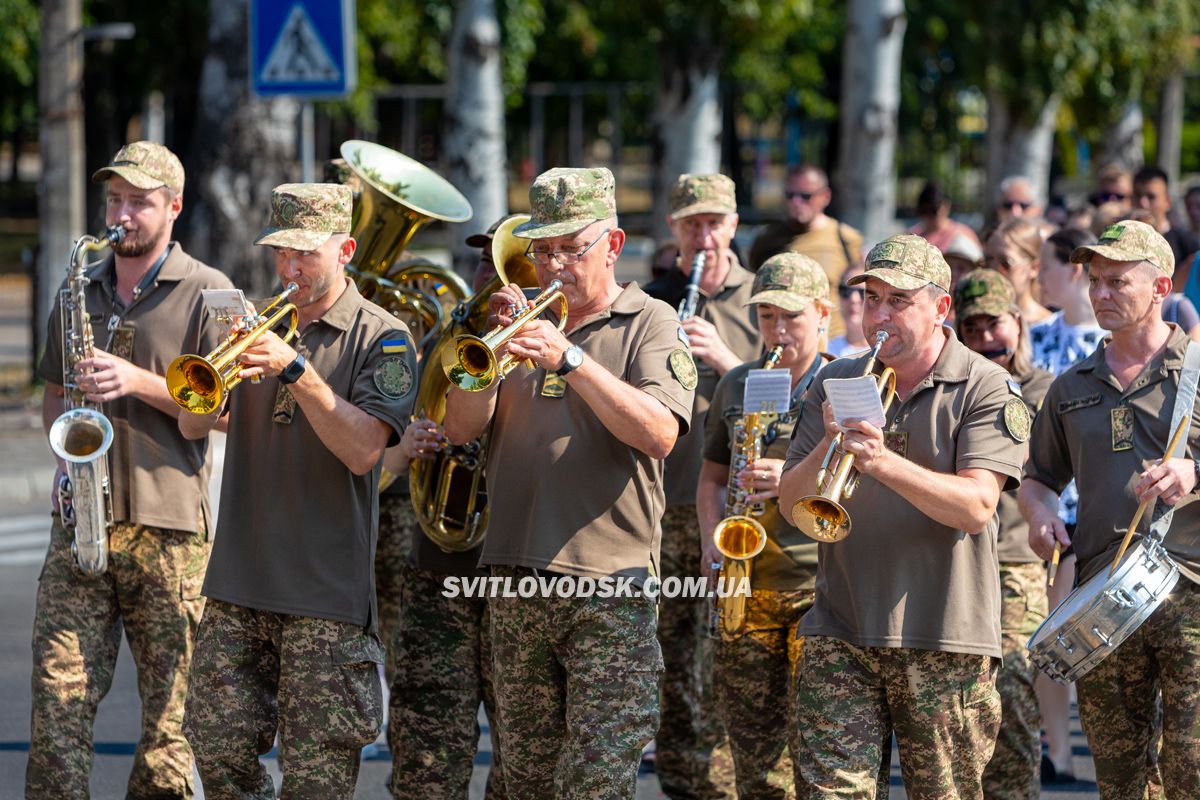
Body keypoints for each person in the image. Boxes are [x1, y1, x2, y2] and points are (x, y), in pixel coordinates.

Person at [441, 167, 696, 798]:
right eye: (542, 250)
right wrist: (487, 357)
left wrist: (570, 358)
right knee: (525, 779)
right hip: (512, 577)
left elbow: (660, 432)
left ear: (611, 245)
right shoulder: (522, 326)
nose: (553, 265)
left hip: (609, 586)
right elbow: (456, 429)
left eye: (569, 249)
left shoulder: (650, 322)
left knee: (593, 780)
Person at [180, 183, 418, 798]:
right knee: (213, 743)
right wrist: (214, 366)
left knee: (316, 781)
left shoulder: (384, 337)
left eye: (305, 254)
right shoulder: (257, 320)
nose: (290, 269)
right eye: (281, 252)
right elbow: (189, 423)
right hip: (239, 581)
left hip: (325, 596)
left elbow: (366, 450)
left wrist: (296, 369)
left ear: (345, 249)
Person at [778, 233, 1029, 797]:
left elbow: (976, 506)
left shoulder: (985, 385)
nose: (879, 316)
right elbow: (794, 507)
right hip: (839, 629)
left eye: (898, 301)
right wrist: (828, 446)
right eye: (872, 299)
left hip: (943, 638)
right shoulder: (835, 378)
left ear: (941, 308)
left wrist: (883, 462)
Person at [26, 141, 233, 800]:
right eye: (114, 200)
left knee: (171, 724)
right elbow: (56, 392)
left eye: (139, 203)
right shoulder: (78, 285)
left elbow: (233, 413)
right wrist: (66, 460)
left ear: (173, 207)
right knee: (56, 707)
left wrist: (141, 382)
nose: (122, 215)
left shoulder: (211, 293)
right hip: (81, 524)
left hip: (169, 530)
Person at [1019, 220, 1200, 799]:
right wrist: (1040, 514)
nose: (1099, 294)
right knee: (1120, 778)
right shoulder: (1070, 386)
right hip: (1105, 597)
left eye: (1117, 282)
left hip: (1191, 589)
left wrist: (1194, 470)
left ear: (1160, 287)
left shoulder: (1196, 371)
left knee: (1191, 767)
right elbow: (1038, 478)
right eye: (1094, 281)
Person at [644, 173, 761, 798]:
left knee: (727, 653)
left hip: (736, 510)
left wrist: (724, 362)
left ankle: (725, 782)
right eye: (692, 223)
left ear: (735, 225)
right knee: (666, 655)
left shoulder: (762, 300)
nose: (704, 235)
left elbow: (792, 390)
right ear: (674, 230)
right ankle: (680, 780)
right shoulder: (652, 301)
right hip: (664, 504)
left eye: (714, 222)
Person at [697, 253, 831, 796]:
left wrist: (795, 477)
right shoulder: (737, 383)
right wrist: (712, 542)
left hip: (819, 590)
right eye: (767, 316)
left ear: (823, 315)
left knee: (821, 748)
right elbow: (709, 479)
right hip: (746, 587)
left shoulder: (846, 382)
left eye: (791, 318)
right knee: (753, 752)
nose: (777, 330)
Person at [382, 224, 506, 800]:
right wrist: (417, 436)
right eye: (481, 264)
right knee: (425, 745)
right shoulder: (451, 336)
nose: (488, 276)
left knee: (522, 750)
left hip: (515, 574)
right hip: (439, 565)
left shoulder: (549, 346)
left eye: (503, 266)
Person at [954, 268, 1054, 800]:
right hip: (956, 563)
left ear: (1017, 322)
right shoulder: (956, 391)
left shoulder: (1047, 391)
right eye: (971, 329)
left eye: (994, 324)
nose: (985, 338)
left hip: (1016, 563)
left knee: (1012, 691)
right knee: (959, 705)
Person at [1027, 225, 1105, 782]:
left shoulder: (1112, 339)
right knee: (1051, 634)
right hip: (1052, 506)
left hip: (1105, 511)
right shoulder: (1036, 336)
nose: (1039, 276)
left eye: (1046, 266)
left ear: (1074, 270)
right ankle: (1059, 753)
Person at [747, 164, 863, 338]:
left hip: (832, 345)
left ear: (825, 196)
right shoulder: (768, 239)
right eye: (790, 195)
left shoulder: (846, 239)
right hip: (783, 340)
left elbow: (860, 292)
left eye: (805, 196)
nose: (796, 202)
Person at [984, 218, 1052, 326]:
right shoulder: (975, 324)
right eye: (987, 261)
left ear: (1034, 268)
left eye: (1005, 263)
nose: (993, 270)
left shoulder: (1048, 327)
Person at [908, 180, 982, 255]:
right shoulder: (912, 236)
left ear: (946, 206)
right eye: (923, 210)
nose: (928, 215)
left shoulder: (963, 235)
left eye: (933, 210)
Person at [828, 261, 869, 358]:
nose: (853, 299)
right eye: (846, 291)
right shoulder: (827, 351)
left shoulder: (885, 352)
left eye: (862, 292)